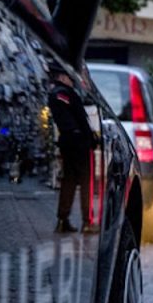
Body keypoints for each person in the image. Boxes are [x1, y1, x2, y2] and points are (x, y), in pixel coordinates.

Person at [48, 72, 99, 233]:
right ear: (62, 77)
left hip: (67, 141)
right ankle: (87, 222)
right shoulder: (65, 93)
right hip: (79, 141)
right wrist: (90, 138)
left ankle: (62, 220)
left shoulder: (54, 94)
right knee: (86, 181)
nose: (72, 82)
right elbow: (80, 118)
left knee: (68, 181)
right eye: (70, 78)